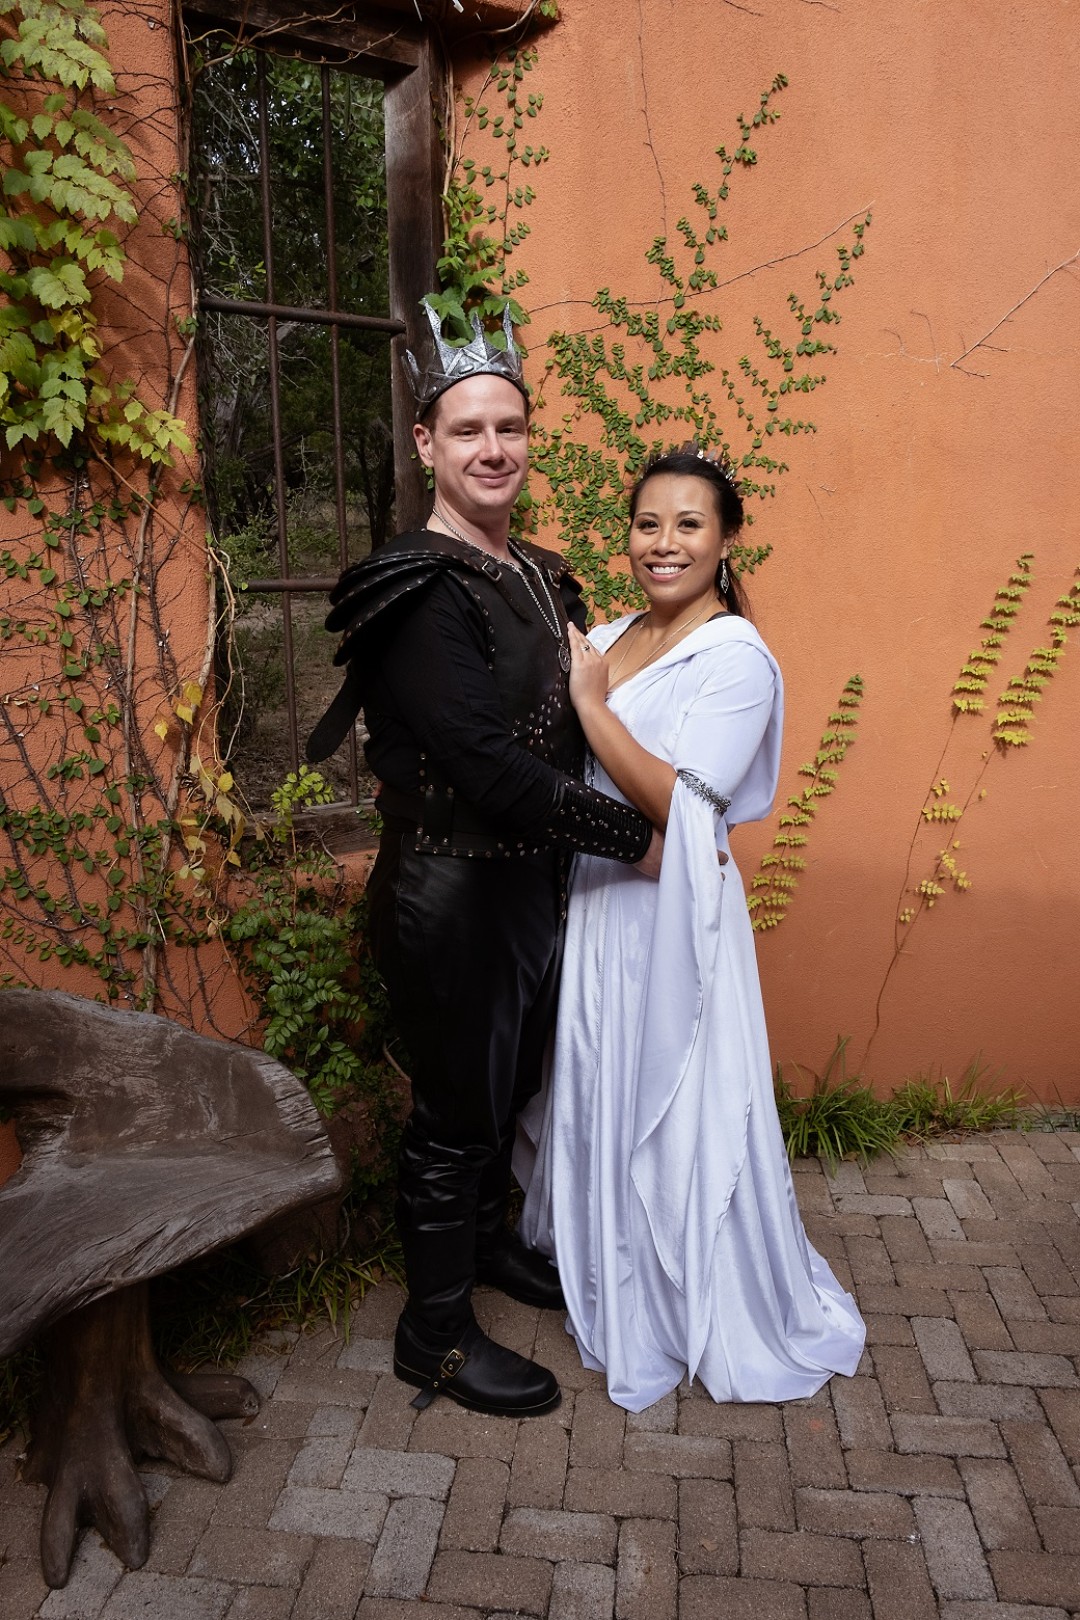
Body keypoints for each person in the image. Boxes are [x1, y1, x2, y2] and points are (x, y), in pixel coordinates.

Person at [306, 301, 661, 1419]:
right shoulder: (415, 587)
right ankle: (437, 1338)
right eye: (466, 431)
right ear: (426, 445)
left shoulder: (546, 576)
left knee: (512, 1093)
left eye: (508, 427)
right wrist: (639, 838)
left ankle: (494, 1249)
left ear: (528, 436)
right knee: (456, 1116)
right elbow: (484, 765)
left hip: (534, 889)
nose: (492, 449)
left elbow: (584, 722)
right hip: (448, 893)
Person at [516, 446, 866, 1411]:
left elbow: (688, 805)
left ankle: (689, 1292)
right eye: (648, 524)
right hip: (599, 903)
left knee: (676, 1100)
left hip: (673, 923)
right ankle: (614, 1267)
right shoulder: (616, 630)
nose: (663, 544)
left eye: (689, 525)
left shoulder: (738, 657)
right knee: (604, 1079)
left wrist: (590, 709)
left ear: (726, 539)